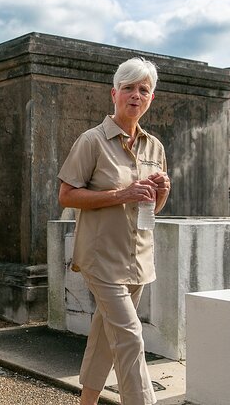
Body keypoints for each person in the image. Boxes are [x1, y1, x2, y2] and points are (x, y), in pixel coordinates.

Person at [57, 57, 171, 405]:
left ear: (151, 98)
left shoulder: (155, 147)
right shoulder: (92, 141)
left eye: (144, 90)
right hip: (101, 257)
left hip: (137, 259)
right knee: (131, 336)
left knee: (107, 336)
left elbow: (150, 208)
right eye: (129, 88)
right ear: (114, 94)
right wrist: (122, 193)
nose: (136, 95)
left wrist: (161, 191)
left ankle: (86, 402)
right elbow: (67, 195)